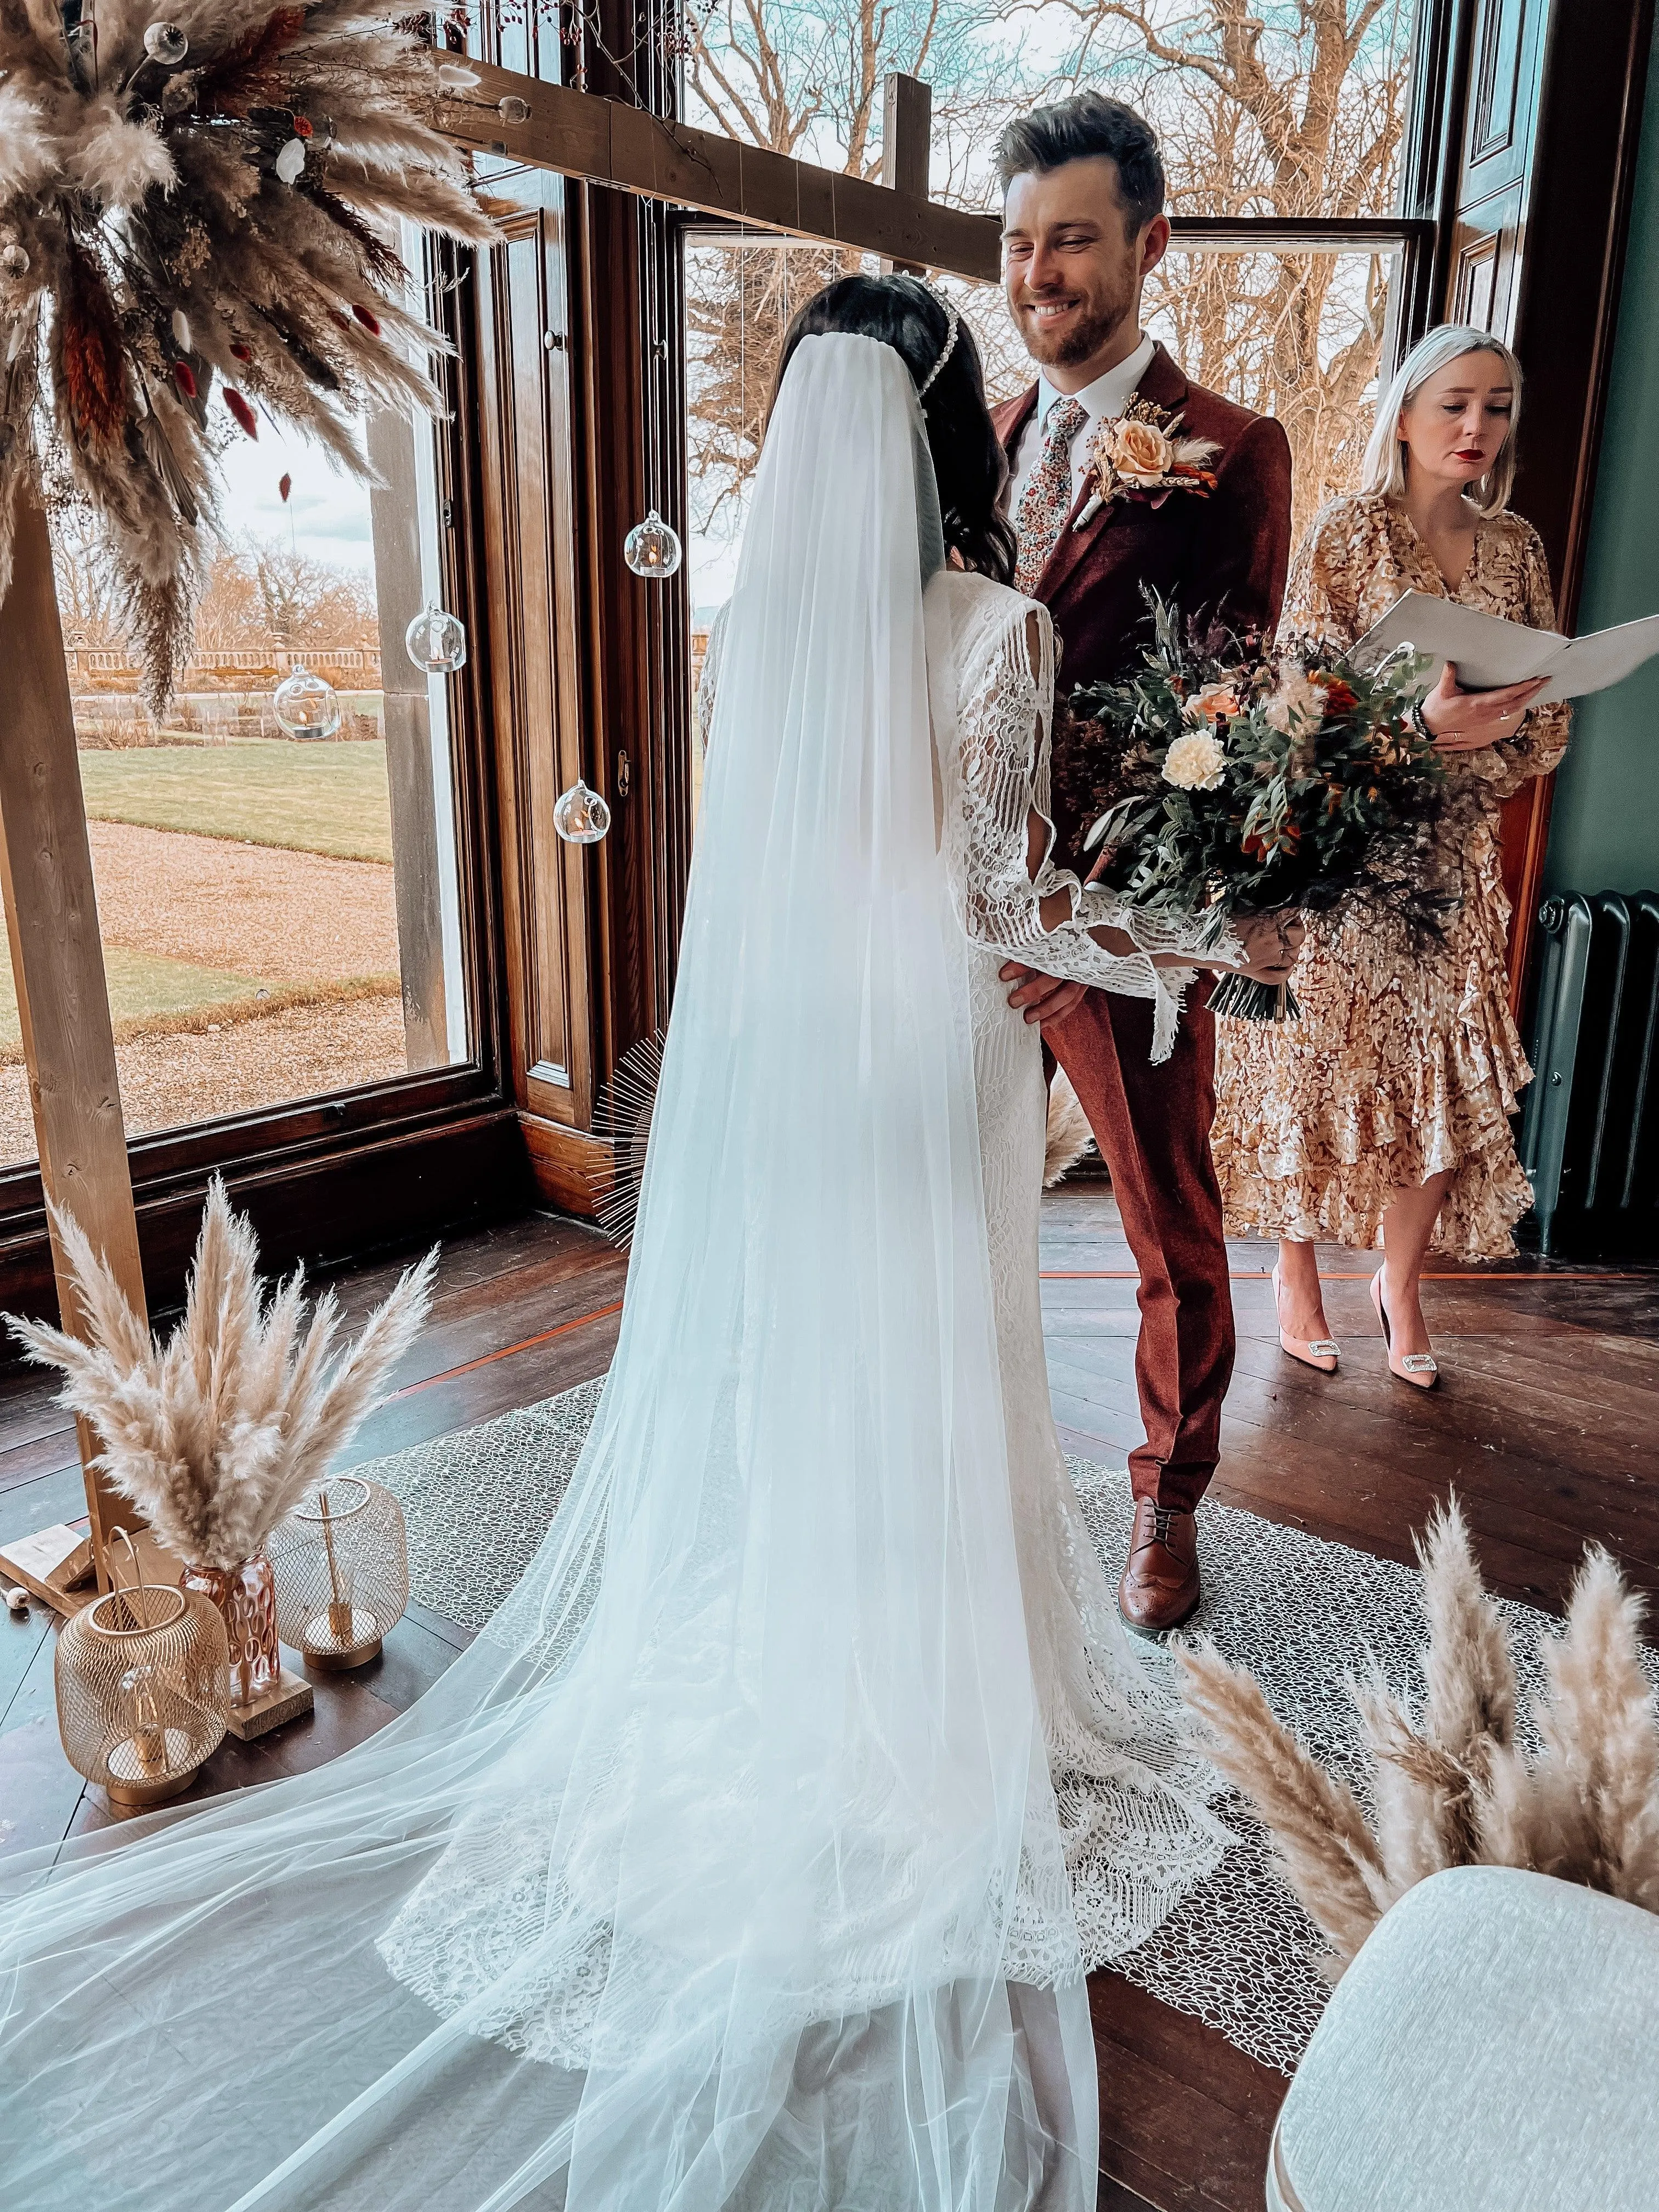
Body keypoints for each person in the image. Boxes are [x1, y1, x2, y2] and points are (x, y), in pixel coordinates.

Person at [0, 280, 1250, 2212]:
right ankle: (944, 1701)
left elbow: (769, 883)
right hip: (930, 1056)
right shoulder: (991, 628)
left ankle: (817, 1673)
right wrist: (1186, 947)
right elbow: (1002, 899)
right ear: (940, 437)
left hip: (790, 1059)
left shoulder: (751, 630)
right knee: (944, 1361)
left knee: (825, 1365)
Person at [989, 91, 1295, 1633]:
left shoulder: (1232, 451)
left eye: (1076, 241)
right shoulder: (966, 439)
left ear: (1149, 244)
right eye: (1025, 241)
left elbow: (1233, 696)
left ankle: (1168, 1505)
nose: (1043, 271)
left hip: (1122, 908)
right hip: (960, 900)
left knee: (1169, 1218)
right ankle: (948, 1463)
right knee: (933, 1190)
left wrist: (1223, 911)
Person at [1211, 325, 1571, 1386]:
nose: (1475, 427)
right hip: (1348, 860)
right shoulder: (1344, 534)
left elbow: (1549, 724)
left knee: (1446, 1081)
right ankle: (1297, 1274)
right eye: (1454, 402)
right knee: (1321, 1069)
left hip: (1456, 865)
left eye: (1496, 407)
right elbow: (1299, 710)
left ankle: (1400, 1285)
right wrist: (1418, 730)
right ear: (1405, 411)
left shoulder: (1519, 550)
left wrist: (1490, 730)